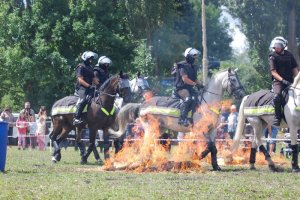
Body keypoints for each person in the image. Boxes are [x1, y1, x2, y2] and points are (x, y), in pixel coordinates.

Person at [269, 36, 299, 126]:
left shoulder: (289, 55)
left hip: (290, 81)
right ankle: (277, 117)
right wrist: (283, 80)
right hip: (278, 82)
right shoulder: (272, 56)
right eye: (275, 46)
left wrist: (297, 80)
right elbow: (273, 72)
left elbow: (294, 69)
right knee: (277, 96)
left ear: (283, 46)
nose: (276, 47)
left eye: (278, 45)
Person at [174, 47, 202, 127]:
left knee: (197, 98)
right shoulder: (182, 66)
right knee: (188, 99)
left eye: (195, 57)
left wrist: (200, 85)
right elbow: (185, 79)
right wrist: (195, 84)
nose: (195, 58)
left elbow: (195, 79)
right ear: (188, 56)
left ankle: (191, 118)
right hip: (181, 88)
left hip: (189, 88)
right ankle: (182, 119)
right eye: (194, 56)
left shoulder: (194, 67)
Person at [73, 51, 99, 126]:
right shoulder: (80, 67)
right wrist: (89, 86)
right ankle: (77, 118)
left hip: (90, 88)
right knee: (83, 99)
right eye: (90, 58)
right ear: (85, 58)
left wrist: (100, 85)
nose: (91, 60)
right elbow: (80, 80)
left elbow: (94, 79)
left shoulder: (91, 68)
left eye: (92, 59)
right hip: (81, 88)